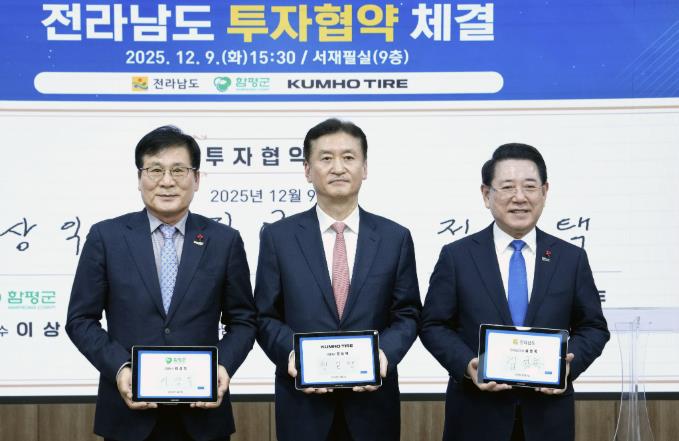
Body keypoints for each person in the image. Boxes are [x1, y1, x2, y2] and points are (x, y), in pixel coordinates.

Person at [66, 125, 257, 441]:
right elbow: (80, 320)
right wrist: (120, 368)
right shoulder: (106, 237)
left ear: (196, 179)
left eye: (178, 170)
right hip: (128, 416)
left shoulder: (224, 241)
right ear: (139, 178)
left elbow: (244, 321)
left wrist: (221, 367)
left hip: (203, 416)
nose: (167, 181)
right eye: (155, 170)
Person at [420, 143, 609, 441]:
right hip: (475, 417)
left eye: (530, 187)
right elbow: (433, 325)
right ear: (486, 195)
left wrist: (568, 365)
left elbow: (594, 327)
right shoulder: (457, 256)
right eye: (507, 187)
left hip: (548, 420)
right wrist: (467, 364)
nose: (519, 197)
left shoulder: (570, 258)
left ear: (545, 192)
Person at [254, 118, 421, 441]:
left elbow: (408, 313)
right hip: (303, 406)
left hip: (373, 406)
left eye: (348, 157)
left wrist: (383, 354)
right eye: (326, 158)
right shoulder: (278, 237)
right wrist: (293, 354)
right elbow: (264, 315)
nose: (338, 168)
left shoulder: (394, 237)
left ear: (365, 167)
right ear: (307, 169)